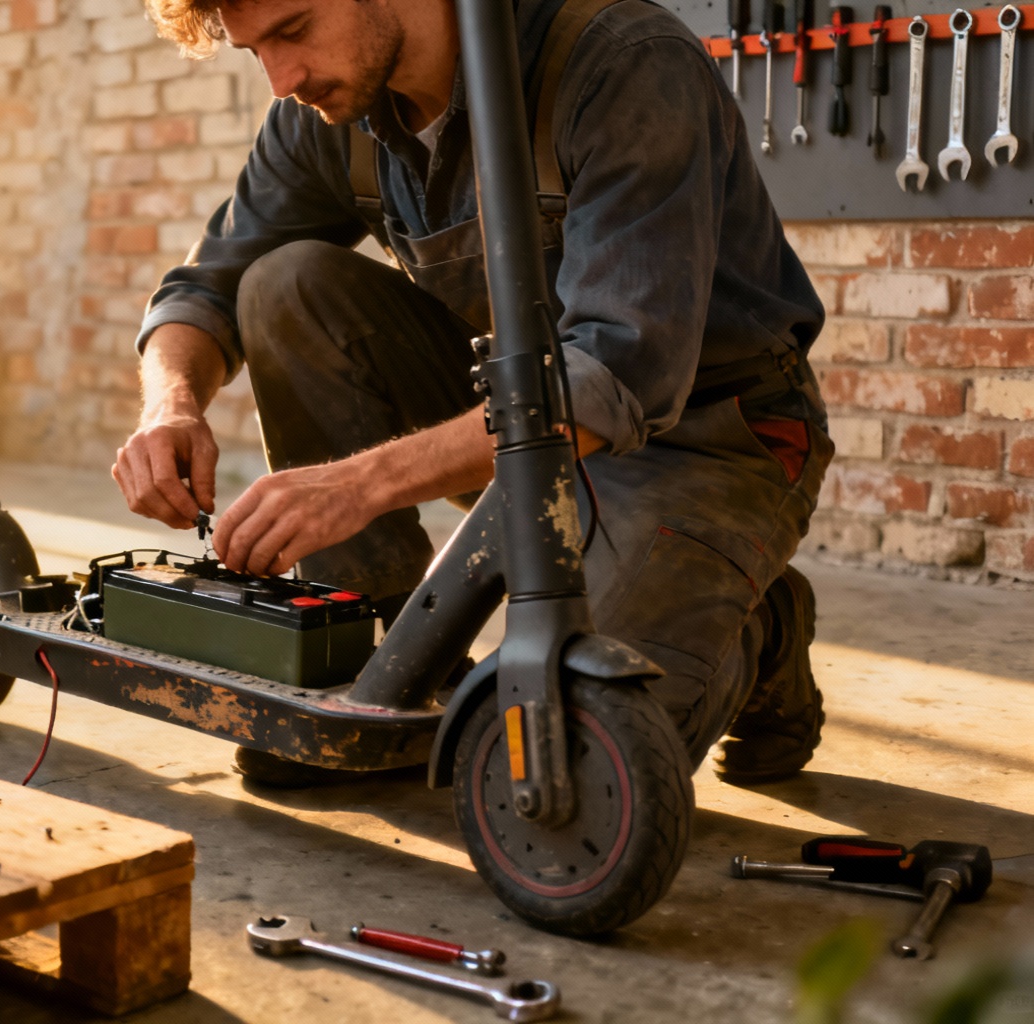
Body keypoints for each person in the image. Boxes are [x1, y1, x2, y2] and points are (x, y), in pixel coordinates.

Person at [109, 0, 832, 786]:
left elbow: (618, 374)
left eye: (294, 30)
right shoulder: (331, 107)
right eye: (256, 52)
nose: (283, 79)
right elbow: (204, 287)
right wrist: (170, 403)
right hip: (512, 412)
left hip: (707, 438)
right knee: (287, 284)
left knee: (578, 770)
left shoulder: (623, 62)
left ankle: (761, 626)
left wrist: (355, 484)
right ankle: (383, 653)